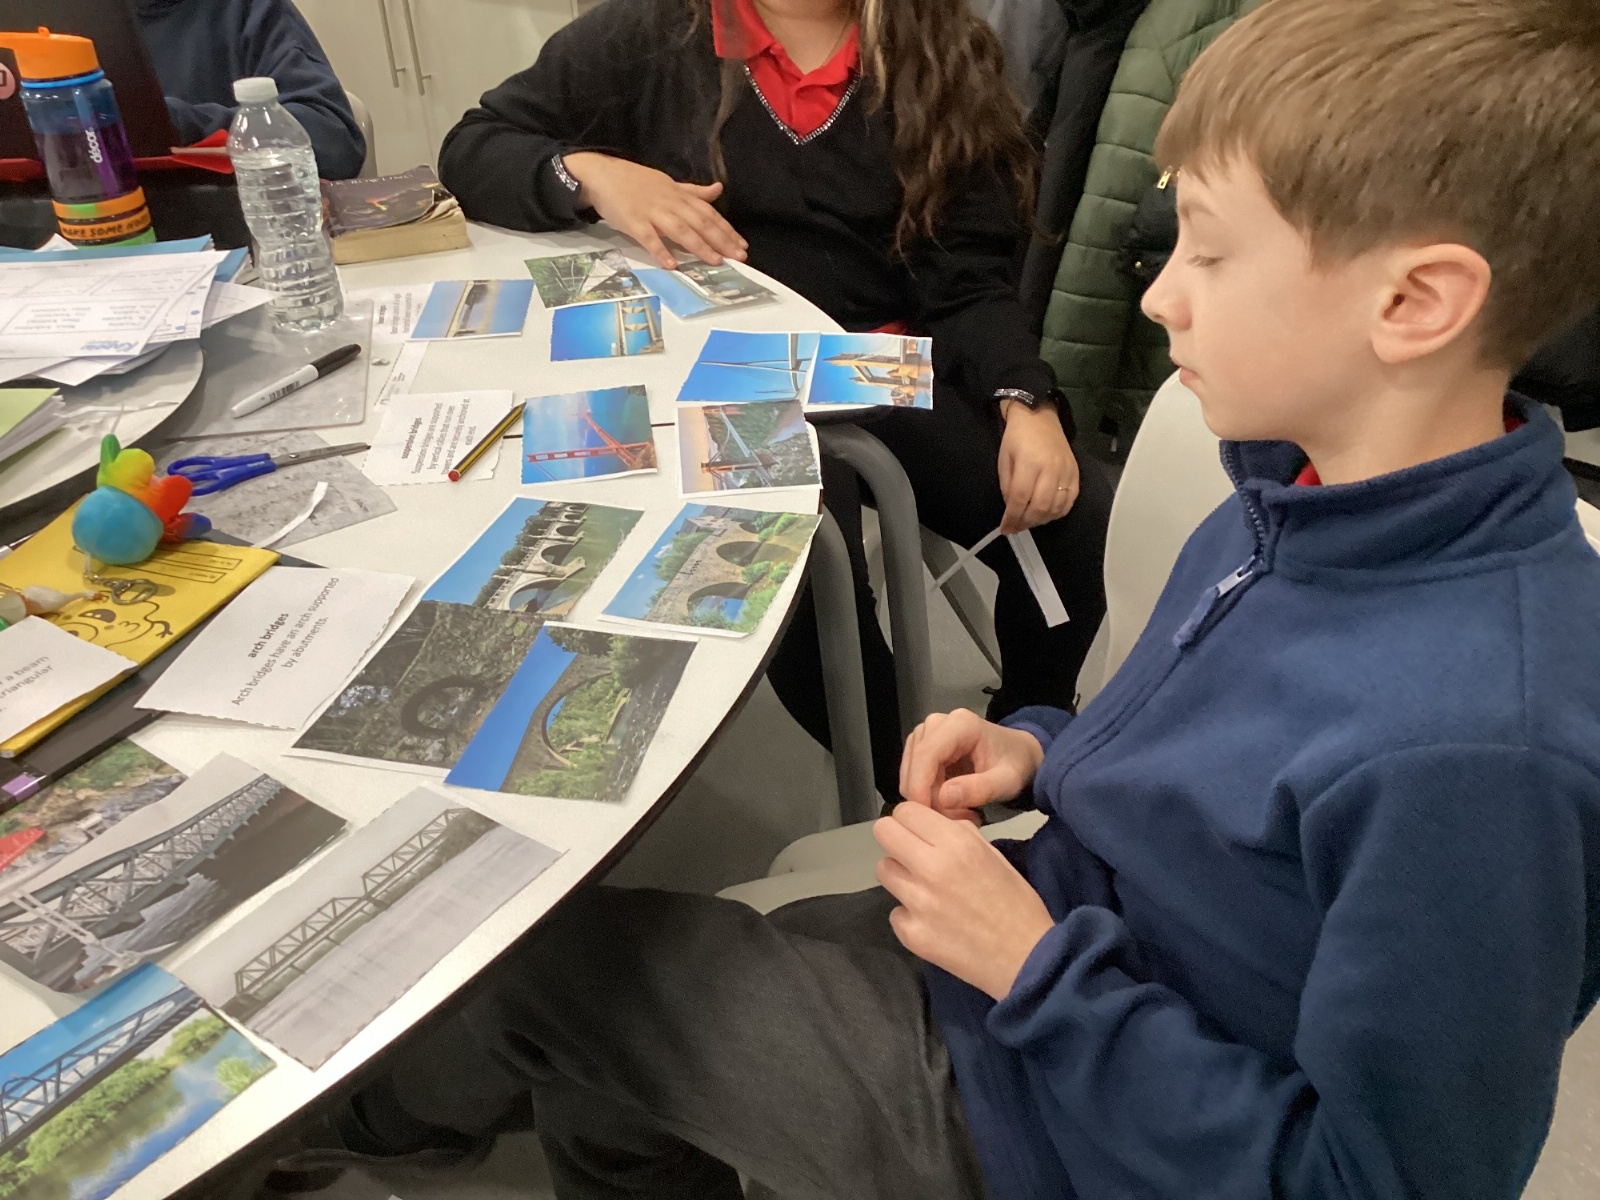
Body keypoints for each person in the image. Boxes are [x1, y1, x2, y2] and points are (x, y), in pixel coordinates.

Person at [301, 1, 1600, 1197]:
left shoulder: (1481, 754)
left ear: (1415, 302)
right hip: (1055, 948)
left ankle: (311, 1132)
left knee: (538, 969)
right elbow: (1227, 786)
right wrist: (1042, 749)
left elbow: (1370, 1181)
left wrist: (1033, 971)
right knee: (616, 1066)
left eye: (1208, 252)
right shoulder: (1298, 493)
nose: (1158, 295)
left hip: (1060, 1106)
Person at [436, 0, 1114, 800]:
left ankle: (1023, 743)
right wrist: (592, 174)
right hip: (722, 382)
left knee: (1077, 517)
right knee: (803, 566)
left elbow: (970, 279)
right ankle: (912, 786)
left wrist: (1024, 395)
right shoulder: (648, 33)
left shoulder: (940, 49)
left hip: (876, 363)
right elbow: (474, 148)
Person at [136, 0, 366, 179]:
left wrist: (177, 123)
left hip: (249, 216)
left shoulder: (248, 8)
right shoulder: (114, 29)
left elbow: (333, 140)